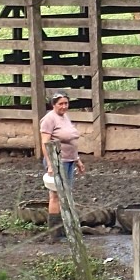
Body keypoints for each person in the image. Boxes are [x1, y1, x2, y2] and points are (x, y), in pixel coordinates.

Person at [40, 91, 84, 240]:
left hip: (69, 160)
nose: (64, 106)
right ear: (53, 104)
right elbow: (45, 143)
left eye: (66, 103)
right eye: (61, 104)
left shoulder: (65, 117)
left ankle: (65, 228)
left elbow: (71, 140)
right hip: (58, 161)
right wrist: (50, 164)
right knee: (55, 195)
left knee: (66, 194)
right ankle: (54, 233)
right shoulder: (49, 119)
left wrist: (77, 159)